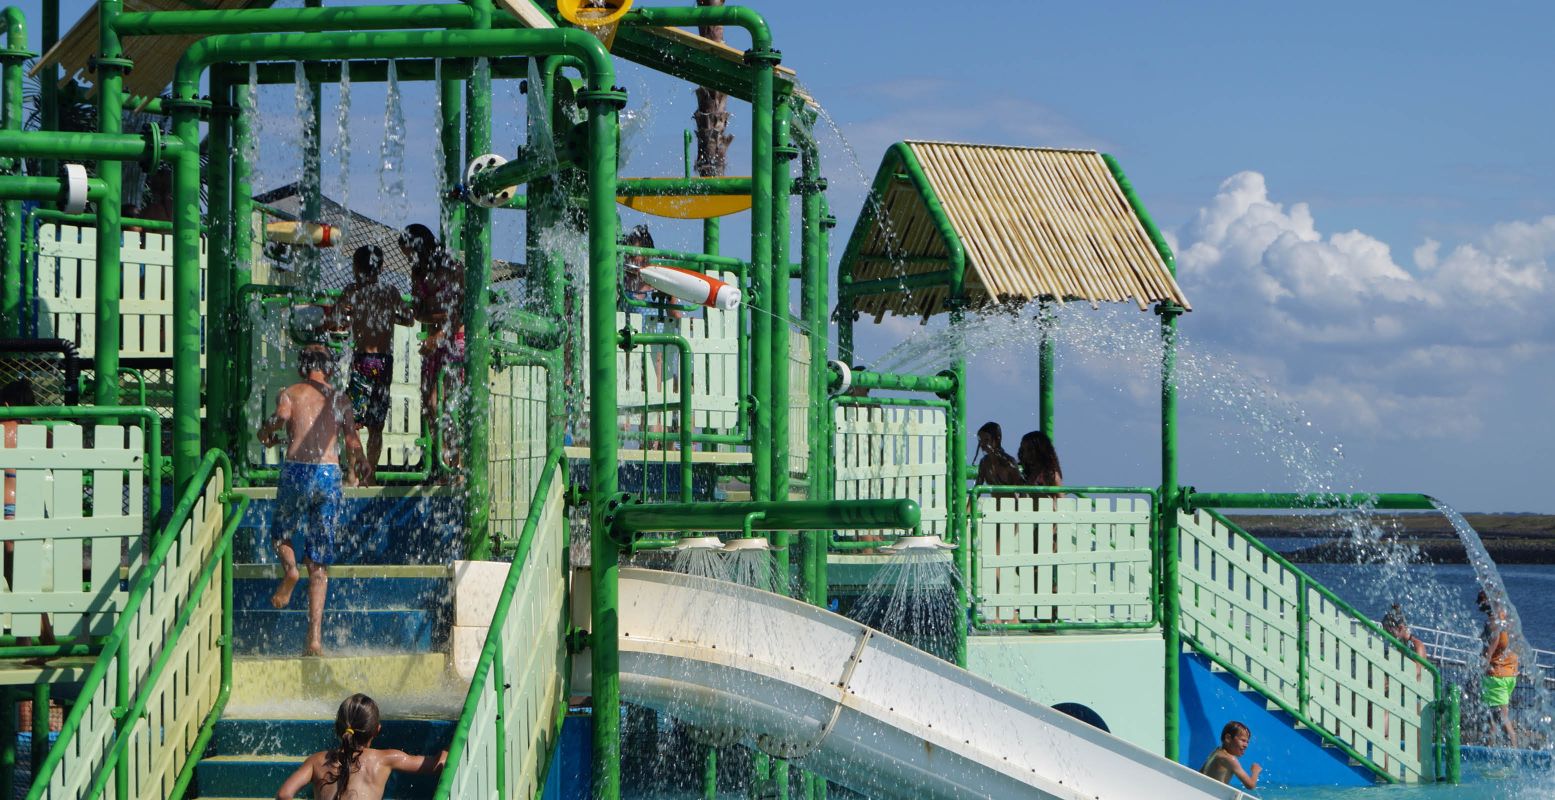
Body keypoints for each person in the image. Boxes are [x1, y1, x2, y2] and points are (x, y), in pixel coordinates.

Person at [259, 346, 368, 656]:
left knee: (280, 535)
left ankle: (291, 570)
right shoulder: (340, 398)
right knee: (319, 562)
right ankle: (315, 639)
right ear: (329, 370)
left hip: (296, 472)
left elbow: (279, 418)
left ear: (301, 368)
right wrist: (360, 463)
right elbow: (351, 441)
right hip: (328, 475)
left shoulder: (290, 393)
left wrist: (266, 430)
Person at [332, 244, 413, 481]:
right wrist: (389, 316)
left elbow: (336, 318)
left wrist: (352, 315)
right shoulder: (390, 292)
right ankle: (372, 473)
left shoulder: (352, 291)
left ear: (356, 267)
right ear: (381, 267)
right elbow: (409, 319)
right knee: (376, 425)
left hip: (362, 360)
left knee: (352, 420)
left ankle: (352, 473)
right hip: (383, 363)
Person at [276, 693, 446, 800]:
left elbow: (284, 794)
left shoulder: (316, 761)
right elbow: (435, 765)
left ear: (338, 727)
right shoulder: (385, 759)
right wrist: (449, 749)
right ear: (377, 730)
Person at [402, 224, 465, 472]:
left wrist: (439, 332)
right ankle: (444, 461)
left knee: (448, 402)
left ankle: (457, 463)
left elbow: (460, 312)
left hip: (455, 340)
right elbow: (419, 312)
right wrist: (435, 320)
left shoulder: (451, 268)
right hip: (435, 342)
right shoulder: (418, 274)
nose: (409, 260)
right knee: (429, 402)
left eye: (411, 254)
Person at [1479, 589, 1519, 748]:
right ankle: (1494, 750)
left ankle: (1514, 753)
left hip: (1496, 676)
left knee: (1498, 720)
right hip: (1508, 675)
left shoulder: (1495, 621)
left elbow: (1491, 646)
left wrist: (1484, 664)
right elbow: (1516, 646)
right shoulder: (1507, 620)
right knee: (1496, 719)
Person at [1200, 720, 1261, 789]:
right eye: (1243, 740)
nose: (1246, 745)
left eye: (1247, 742)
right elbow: (1250, 785)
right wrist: (1255, 771)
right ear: (1228, 738)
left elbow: (1201, 773)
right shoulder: (1230, 759)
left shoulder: (1217, 751)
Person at [973, 421, 1024, 487]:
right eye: (980, 440)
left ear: (997, 439)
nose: (982, 444)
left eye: (986, 440)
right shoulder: (984, 462)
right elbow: (978, 487)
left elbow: (1022, 491)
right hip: (995, 497)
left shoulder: (1009, 462)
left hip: (1011, 497)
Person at [1017, 430, 1063, 496]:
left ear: (1041, 450)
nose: (1026, 454)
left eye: (1030, 450)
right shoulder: (1021, 470)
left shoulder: (1051, 475)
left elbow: (1062, 501)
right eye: (1023, 450)